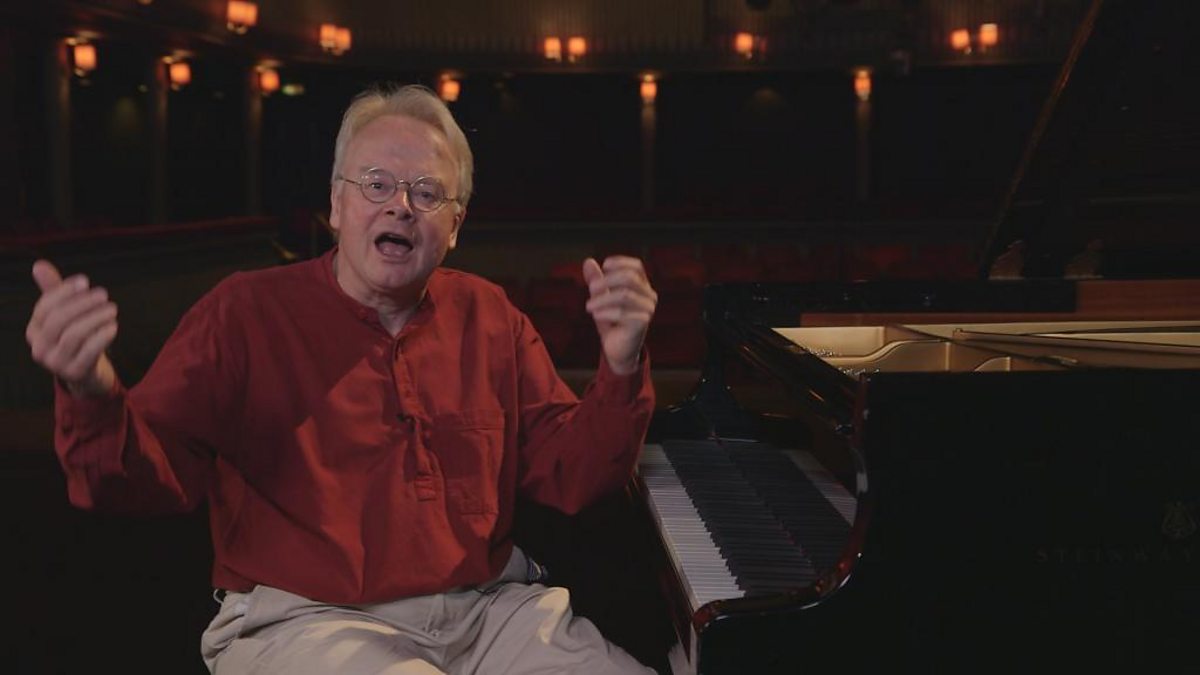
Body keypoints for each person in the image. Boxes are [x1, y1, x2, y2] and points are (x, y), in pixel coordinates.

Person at [26, 84, 659, 674]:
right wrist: (90, 390)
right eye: (376, 184)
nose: (400, 205)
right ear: (336, 204)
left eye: (427, 193)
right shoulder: (244, 312)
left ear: (456, 226)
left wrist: (623, 363)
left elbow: (577, 475)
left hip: (489, 611)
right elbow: (143, 475)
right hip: (304, 620)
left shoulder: (489, 314)